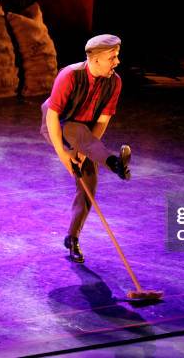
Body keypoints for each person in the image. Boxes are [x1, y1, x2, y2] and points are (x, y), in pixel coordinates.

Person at [40, 34, 131, 263]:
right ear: (96, 59)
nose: (117, 62)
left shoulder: (114, 81)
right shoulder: (70, 75)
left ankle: (72, 238)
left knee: (88, 185)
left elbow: (101, 121)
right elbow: (52, 117)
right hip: (59, 126)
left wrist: (82, 154)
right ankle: (113, 162)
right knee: (74, 129)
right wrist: (64, 156)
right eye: (113, 57)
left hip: (85, 137)